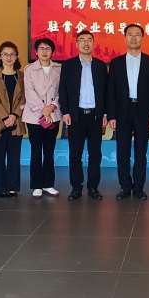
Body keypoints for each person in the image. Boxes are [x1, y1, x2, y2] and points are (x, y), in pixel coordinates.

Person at [107, 24, 149, 200]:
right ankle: (125, 186)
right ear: (125, 38)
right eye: (130, 34)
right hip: (122, 111)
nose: (134, 38)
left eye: (137, 35)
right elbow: (111, 91)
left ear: (142, 38)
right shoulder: (116, 62)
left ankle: (138, 187)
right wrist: (111, 115)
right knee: (122, 151)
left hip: (143, 111)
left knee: (141, 151)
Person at [59, 30, 108, 201]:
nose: (86, 43)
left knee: (95, 154)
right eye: (82, 40)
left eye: (89, 40)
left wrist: (105, 113)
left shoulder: (100, 66)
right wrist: (65, 111)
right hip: (76, 116)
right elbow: (63, 90)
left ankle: (93, 187)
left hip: (95, 116)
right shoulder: (69, 65)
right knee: (75, 154)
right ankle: (76, 188)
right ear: (77, 44)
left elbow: (106, 91)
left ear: (93, 44)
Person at [22, 38, 62, 199]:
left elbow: (62, 91)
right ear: (36, 52)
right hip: (34, 116)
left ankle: (48, 184)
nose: (44, 51)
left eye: (48, 48)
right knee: (36, 150)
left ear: (52, 52)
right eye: (41, 48)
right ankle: (37, 185)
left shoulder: (59, 69)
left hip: (54, 115)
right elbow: (29, 92)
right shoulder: (29, 69)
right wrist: (43, 110)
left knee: (50, 150)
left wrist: (51, 107)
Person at [0, 41, 25, 198]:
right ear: (0, 56)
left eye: (12, 54)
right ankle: (1, 187)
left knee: (14, 157)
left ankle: (13, 187)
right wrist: (5, 117)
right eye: (5, 54)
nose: (9, 57)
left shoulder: (22, 76)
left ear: (16, 56)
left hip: (16, 122)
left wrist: (14, 115)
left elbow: (24, 98)